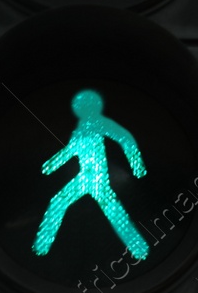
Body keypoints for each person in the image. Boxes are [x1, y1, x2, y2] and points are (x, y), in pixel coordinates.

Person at [32, 88, 150, 260]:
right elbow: (71, 150)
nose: (81, 108)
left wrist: (137, 165)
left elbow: (125, 138)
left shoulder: (100, 123)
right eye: (80, 105)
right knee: (59, 202)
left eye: (84, 105)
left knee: (115, 213)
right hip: (85, 177)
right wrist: (50, 166)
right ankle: (41, 248)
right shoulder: (81, 128)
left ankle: (140, 250)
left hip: (97, 180)